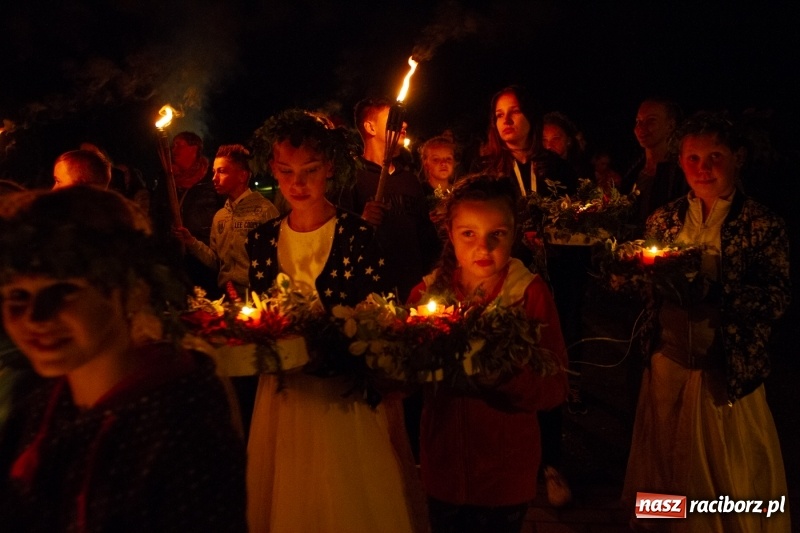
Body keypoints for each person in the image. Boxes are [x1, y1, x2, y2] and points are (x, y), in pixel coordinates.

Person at [0, 186, 246, 532]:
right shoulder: (38, 406)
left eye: (65, 290)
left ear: (133, 289)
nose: (36, 317)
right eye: (17, 294)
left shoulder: (181, 429)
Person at [246, 109, 423, 533]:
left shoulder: (356, 237)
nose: (297, 183)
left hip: (342, 398)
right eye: (286, 171)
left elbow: (380, 318)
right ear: (273, 168)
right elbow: (257, 316)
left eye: (309, 170)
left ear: (330, 168)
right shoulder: (261, 239)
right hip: (284, 395)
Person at [622, 112, 791, 532]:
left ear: (738, 158)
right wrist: (627, 272)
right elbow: (642, 286)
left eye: (715, 156)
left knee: (726, 464)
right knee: (665, 454)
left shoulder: (762, 224)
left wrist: (717, 289)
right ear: (679, 163)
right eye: (693, 158)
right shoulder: (664, 220)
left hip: (724, 371)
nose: (703, 168)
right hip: (669, 360)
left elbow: (777, 297)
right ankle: (665, 524)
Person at [407, 174, 568, 533]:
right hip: (444, 467)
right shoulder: (425, 296)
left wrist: (507, 379)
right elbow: (401, 378)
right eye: (469, 234)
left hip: (505, 474)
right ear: (450, 233)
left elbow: (555, 384)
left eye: (497, 234)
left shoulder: (528, 294)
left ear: (514, 232)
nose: (483, 248)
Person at [335, 97, 439, 302]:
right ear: (370, 127)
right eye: (393, 118)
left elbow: (426, 237)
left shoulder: (410, 180)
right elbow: (337, 239)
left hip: (414, 291)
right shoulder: (350, 178)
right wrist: (362, 222)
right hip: (370, 295)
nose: (404, 124)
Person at [174, 144, 279, 296]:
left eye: (221, 171)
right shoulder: (220, 217)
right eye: (214, 172)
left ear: (242, 176)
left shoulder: (264, 211)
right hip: (227, 297)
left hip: (257, 300)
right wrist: (191, 242)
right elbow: (216, 262)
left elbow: (278, 259)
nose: (214, 178)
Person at [475, 85, 577, 197]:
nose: (506, 120)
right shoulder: (483, 169)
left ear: (531, 116)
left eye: (515, 111)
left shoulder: (557, 167)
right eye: (500, 115)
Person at [621, 97, 688, 234]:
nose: (641, 127)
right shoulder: (632, 170)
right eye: (638, 121)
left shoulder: (681, 173)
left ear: (670, 125)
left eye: (651, 120)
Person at [542, 111, 592, 180]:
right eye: (544, 140)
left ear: (568, 141)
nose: (548, 146)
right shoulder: (537, 173)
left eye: (555, 139)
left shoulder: (582, 173)